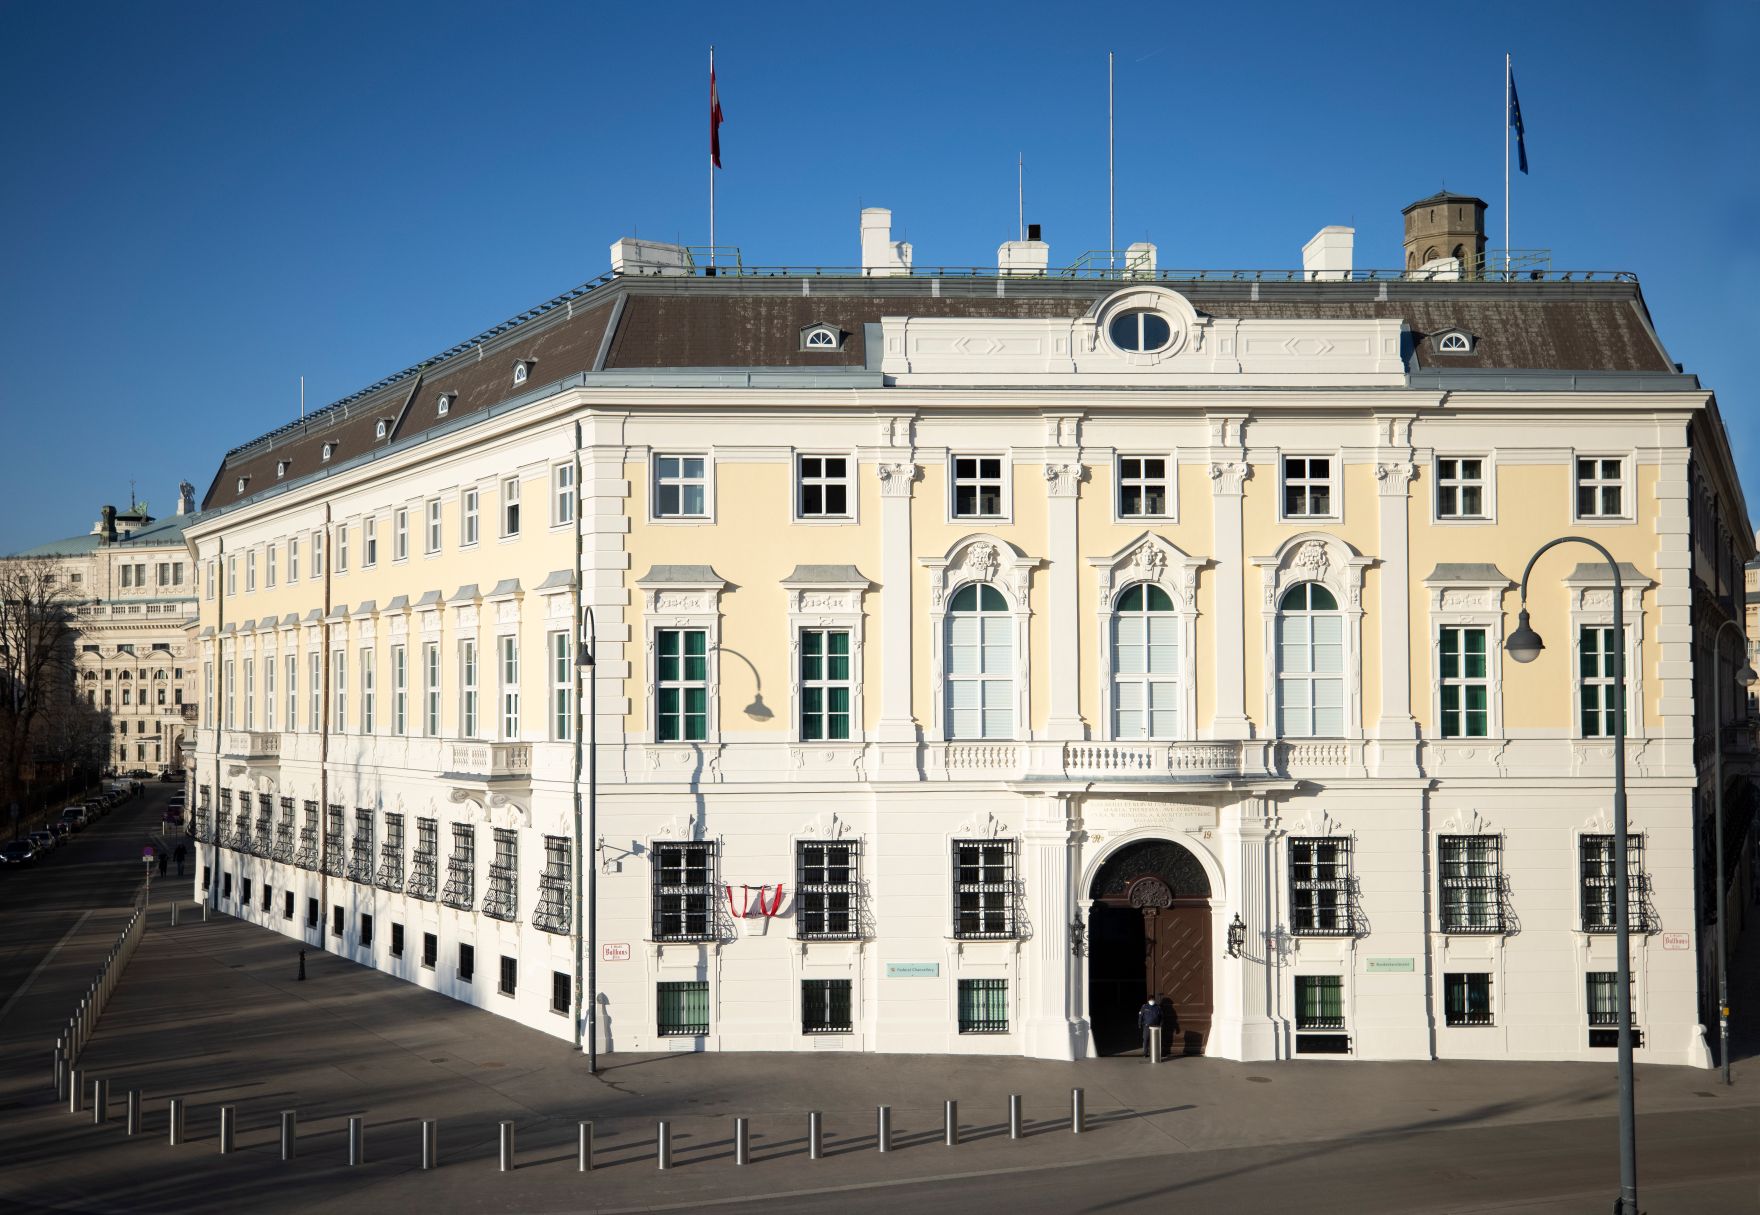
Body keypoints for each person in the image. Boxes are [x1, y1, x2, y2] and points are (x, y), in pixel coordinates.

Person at [1138, 995, 1163, 1060]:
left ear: (1154, 1000)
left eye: (1153, 1000)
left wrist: (1161, 1024)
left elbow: (1161, 1017)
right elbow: (1141, 1016)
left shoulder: (1158, 1007)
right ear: (1148, 1000)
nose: (1152, 1001)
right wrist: (1139, 1024)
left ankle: (1155, 1053)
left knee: (1155, 1041)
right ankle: (1145, 1053)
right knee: (1146, 1039)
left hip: (1156, 1027)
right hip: (1147, 1026)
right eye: (1150, 1000)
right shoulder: (1144, 1007)